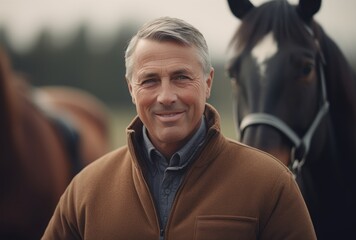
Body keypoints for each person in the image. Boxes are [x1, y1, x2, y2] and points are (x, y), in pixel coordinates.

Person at [42, 16, 316, 240]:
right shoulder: (86, 190)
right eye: (149, 80)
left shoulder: (271, 184)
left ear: (207, 83)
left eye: (181, 77)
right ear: (131, 90)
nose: (166, 96)